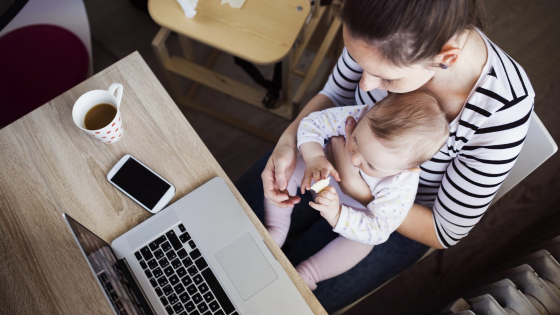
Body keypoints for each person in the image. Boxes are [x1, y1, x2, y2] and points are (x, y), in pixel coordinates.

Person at [235, 0, 534, 312]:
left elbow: (444, 229)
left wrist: (359, 191)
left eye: (386, 78)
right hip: (326, 152)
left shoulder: (503, 109)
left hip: (396, 217)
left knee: (281, 301)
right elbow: (337, 94)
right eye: (360, 62)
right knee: (231, 229)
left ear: (445, 57)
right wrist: (288, 141)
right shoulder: (376, 22)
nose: (366, 84)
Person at [264, 91, 449, 290]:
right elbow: (312, 123)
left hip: (355, 212)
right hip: (319, 174)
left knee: (363, 243)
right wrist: (314, 158)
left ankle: (308, 274)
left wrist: (337, 214)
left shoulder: (402, 184)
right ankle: (276, 228)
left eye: (370, 164)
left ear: (407, 169)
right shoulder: (361, 115)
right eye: (356, 142)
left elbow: (379, 229)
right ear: (371, 111)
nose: (353, 160)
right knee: (289, 169)